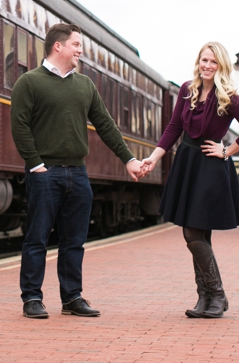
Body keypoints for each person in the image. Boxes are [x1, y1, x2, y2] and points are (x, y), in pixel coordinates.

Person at [10, 22, 146, 319]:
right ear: (57, 46)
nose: (80, 51)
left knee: (74, 241)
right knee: (37, 238)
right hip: (45, 173)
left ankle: (72, 297)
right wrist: (35, 164)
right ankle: (32, 297)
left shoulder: (84, 85)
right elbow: (19, 126)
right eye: (76, 45)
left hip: (78, 174)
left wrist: (129, 160)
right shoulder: (29, 82)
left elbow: (106, 125)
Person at [140, 41, 239, 319]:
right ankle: (205, 297)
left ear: (221, 66)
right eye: (203, 60)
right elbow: (173, 128)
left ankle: (216, 295)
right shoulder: (186, 90)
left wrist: (227, 151)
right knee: (197, 232)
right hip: (187, 164)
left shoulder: (228, 96)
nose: (206, 66)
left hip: (210, 168)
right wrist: (154, 157)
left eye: (213, 62)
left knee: (193, 232)